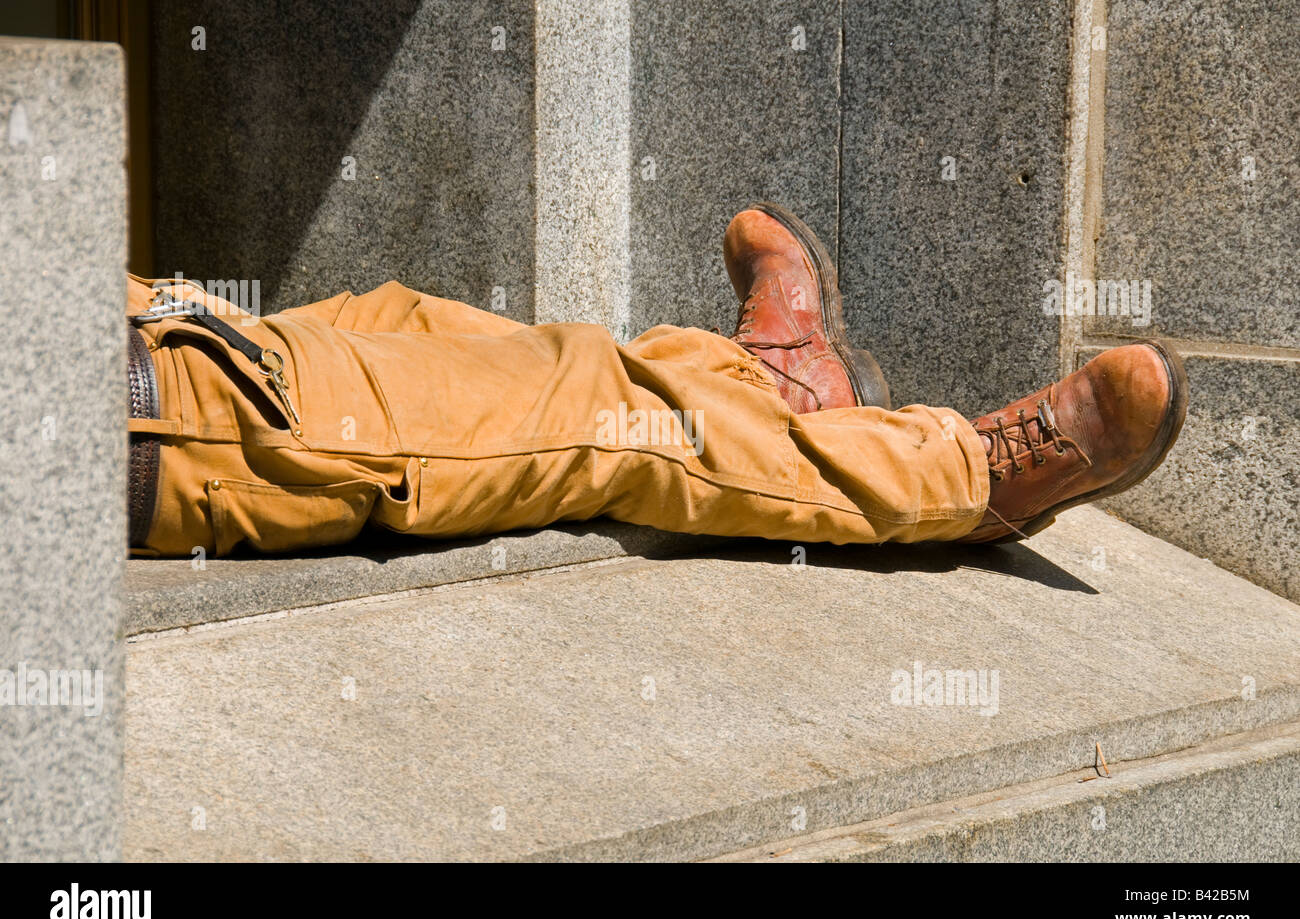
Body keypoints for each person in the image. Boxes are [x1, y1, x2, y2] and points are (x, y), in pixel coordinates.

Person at [125, 203, 1187, 557]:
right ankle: (964, 482)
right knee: (603, 410)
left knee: (411, 319)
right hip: (155, 419)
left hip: (144, 329)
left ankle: (767, 382)